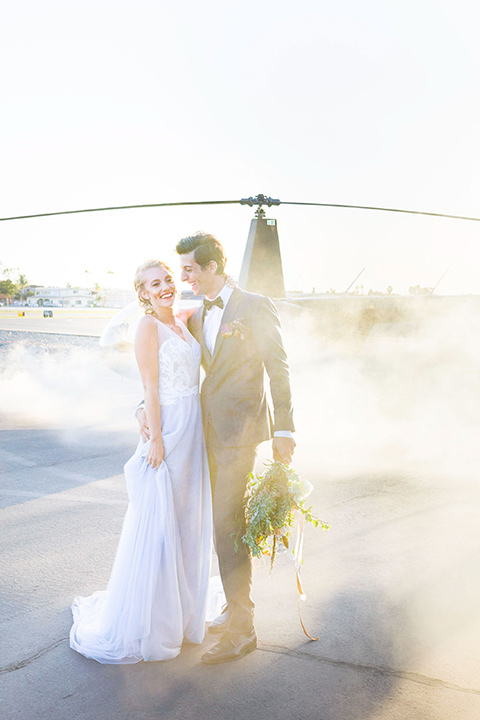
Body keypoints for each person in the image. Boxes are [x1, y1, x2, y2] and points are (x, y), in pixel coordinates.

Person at [138, 232, 295, 664]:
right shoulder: (191, 316)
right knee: (213, 524)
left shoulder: (255, 306)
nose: (182, 277)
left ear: (211, 268)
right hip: (196, 434)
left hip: (239, 434)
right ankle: (234, 609)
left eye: (188, 269)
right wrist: (142, 408)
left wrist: (286, 429)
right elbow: (172, 370)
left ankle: (243, 630)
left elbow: (279, 369)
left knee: (228, 524)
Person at [70, 260, 214, 663]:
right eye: (155, 283)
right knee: (161, 525)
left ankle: (185, 613)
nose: (166, 286)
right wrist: (154, 437)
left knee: (188, 523)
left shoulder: (184, 322)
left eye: (168, 279)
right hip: (168, 431)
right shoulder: (147, 326)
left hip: (194, 431)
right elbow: (150, 385)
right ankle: (158, 620)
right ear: (144, 293)